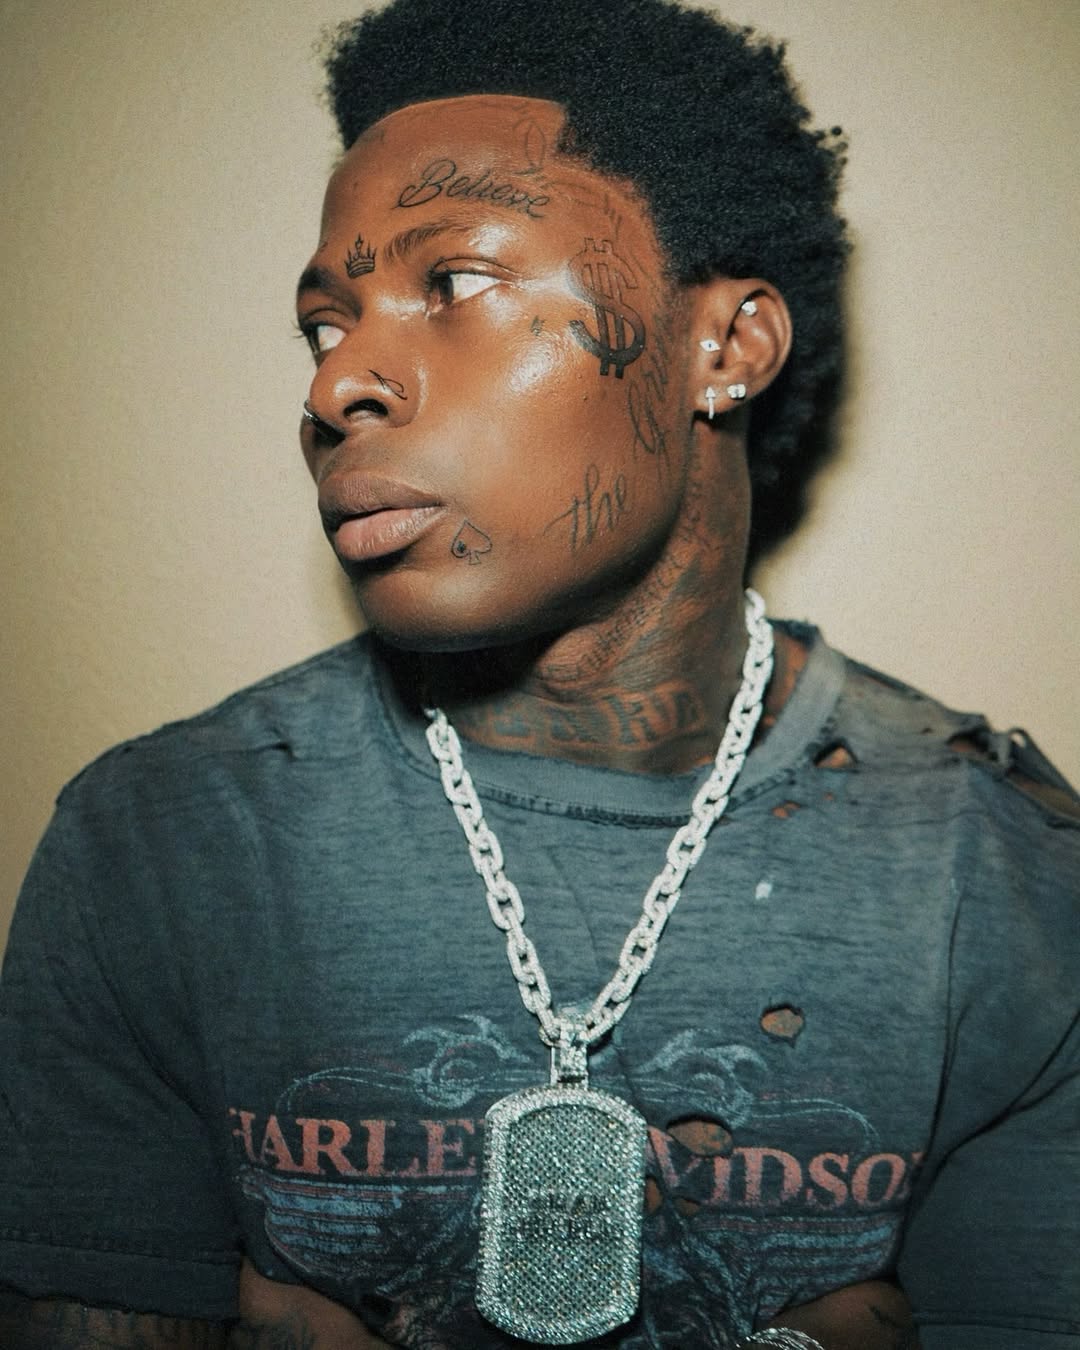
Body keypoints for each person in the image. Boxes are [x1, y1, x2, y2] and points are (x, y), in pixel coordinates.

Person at [1, 0, 1077, 1346]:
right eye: (324, 325)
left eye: (454, 283)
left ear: (727, 347)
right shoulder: (161, 843)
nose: (338, 385)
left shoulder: (1001, 878)